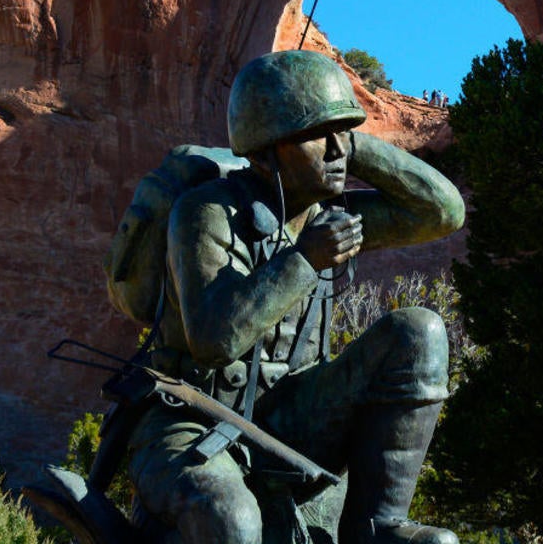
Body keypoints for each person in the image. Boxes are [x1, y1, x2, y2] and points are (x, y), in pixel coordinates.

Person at [126, 50, 465, 544]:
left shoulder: (330, 214)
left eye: (341, 134)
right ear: (264, 151)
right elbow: (213, 339)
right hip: (190, 421)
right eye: (316, 136)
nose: (336, 152)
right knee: (234, 522)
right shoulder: (206, 213)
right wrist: (304, 259)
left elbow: (443, 212)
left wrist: (347, 135)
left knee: (418, 332)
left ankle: (377, 527)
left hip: (289, 418)